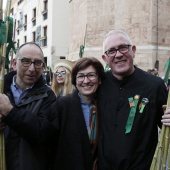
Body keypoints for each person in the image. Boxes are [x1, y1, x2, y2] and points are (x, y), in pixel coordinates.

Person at [97, 30, 170, 170]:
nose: (118, 54)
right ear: (104, 58)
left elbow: (166, 126)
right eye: (111, 51)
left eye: (123, 47)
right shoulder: (99, 85)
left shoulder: (154, 85)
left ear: (133, 50)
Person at [0, 42, 57, 170]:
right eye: (26, 61)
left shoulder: (48, 96)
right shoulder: (0, 90)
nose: (32, 69)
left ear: (43, 67)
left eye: (37, 63)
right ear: (14, 63)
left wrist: (9, 111)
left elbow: (42, 132)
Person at [51, 57, 105, 170]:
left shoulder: (106, 106)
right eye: (81, 76)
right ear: (75, 80)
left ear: (99, 79)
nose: (86, 81)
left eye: (91, 75)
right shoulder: (62, 105)